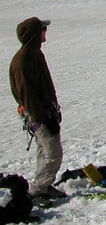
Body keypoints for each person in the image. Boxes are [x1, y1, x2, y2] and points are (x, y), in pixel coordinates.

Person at [8, 17, 66, 206]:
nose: (45, 33)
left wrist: (53, 109)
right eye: (43, 30)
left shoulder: (34, 54)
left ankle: (44, 184)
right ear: (34, 34)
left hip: (44, 111)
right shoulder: (23, 60)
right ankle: (38, 190)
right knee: (52, 151)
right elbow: (27, 95)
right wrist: (43, 118)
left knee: (44, 149)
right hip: (37, 113)